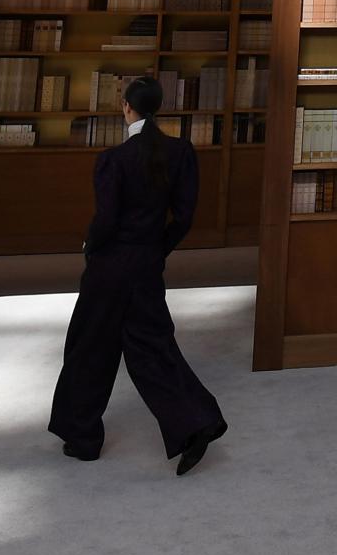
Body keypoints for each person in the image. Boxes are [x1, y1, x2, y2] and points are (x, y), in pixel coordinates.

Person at [48, 76, 228, 474]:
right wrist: (155, 249)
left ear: (126, 107)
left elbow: (107, 218)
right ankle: (197, 422)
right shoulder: (181, 152)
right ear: (157, 107)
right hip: (146, 263)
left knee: (89, 345)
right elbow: (184, 216)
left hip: (111, 266)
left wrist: (90, 246)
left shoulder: (114, 159)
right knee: (152, 346)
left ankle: (83, 438)